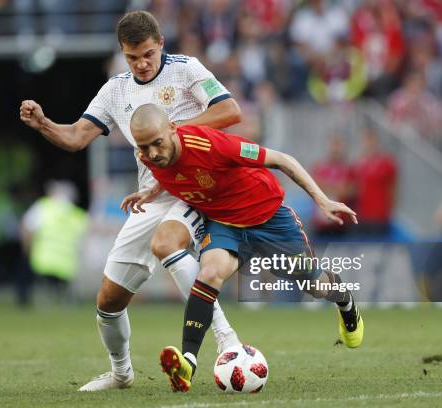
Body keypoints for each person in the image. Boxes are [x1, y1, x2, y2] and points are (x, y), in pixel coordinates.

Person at [19, 11, 242, 391]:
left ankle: (229, 342)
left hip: (195, 187)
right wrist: (43, 124)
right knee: (108, 302)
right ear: (122, 53)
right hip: (150, 198)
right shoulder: (115, 90)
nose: (141, 64)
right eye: (132, 57)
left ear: (161, 45)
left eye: (147, 55)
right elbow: (76, 137)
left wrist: (174, 130)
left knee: (168, 245)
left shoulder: (187, 70)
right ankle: (121, 373)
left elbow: (229, 111)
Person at [121, 104, 364, 392]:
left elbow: (282, 160)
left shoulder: (212, 145)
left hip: (270, 220)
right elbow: (173, 172)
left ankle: (345, 300)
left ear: (172, 128)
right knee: (209, 272)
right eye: (143, 147)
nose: (151, 154)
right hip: (225, 226)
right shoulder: (151, 156)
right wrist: (152, 190)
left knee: (317, 287)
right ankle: (188, 363)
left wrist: (322, 200)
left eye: (156, 144)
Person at [20, 180, 88, 304]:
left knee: (23, 269)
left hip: (43, 262)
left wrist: (26, 250)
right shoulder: (78, 215)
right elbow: (87, 240)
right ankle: (65, 300)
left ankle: (28, 300)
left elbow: (26, 228)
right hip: (68, 265)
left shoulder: (43, 207)